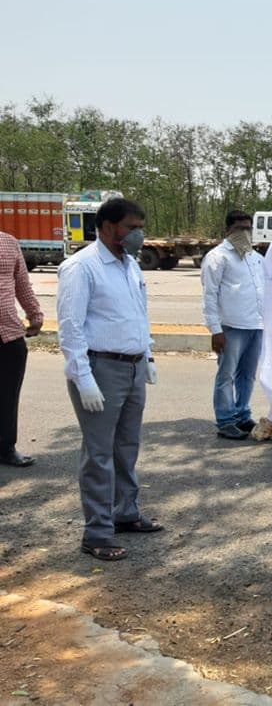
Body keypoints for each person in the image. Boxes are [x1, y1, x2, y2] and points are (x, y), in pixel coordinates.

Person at [56, 198, 162, 561]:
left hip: (131, 367)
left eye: (139, 226)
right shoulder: (81, 268)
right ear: (106, 226)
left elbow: (139, 315)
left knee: (126, 447)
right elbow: (70, 329)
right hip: (100, 368)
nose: (138, 233)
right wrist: (83, 378)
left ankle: (125, 513)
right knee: (99, 454)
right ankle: (97, 533)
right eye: (130, 227)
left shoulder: (131, 266)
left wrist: (146, 356)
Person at [201, 210, 264, 440]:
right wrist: (215, 330)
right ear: (228, 230)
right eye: (239, 228)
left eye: (248, 228)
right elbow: (209, 296)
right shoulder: (218, 257)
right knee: (226, 374)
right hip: (230, 326)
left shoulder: (255, 257)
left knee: (247, 375)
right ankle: (225, 420)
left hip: (255, 325)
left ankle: (242, 413)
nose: (245, 233)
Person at [0, 230, 43, 467]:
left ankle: (6, 448)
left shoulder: (8, 242)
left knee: (7, 396)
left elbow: (21, 283)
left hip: (9, 334)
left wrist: (34, 314)